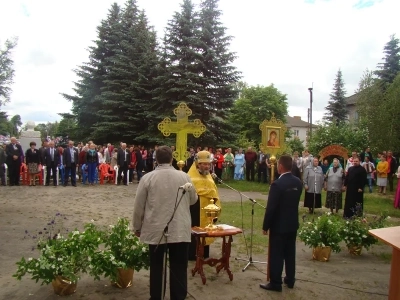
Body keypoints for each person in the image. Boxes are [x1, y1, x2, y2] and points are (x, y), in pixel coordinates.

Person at [133, 146, 197, 300]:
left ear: (156, 159)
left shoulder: (147, 178)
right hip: (179, 227)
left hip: (155, 227)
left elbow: (138, 205)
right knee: (179, 266)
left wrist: (136, 227)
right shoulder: (185, 177)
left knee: (156, 267)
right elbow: (193, 200)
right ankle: (178, 296)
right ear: (172, 159)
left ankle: (156, 296)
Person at [260, 155, 302, 292]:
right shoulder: (298, 182)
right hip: (292, 223)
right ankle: (290, 280)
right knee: (290, 253)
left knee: (277, 254)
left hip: (278, 225)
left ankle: (276, 283)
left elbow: (271, 208)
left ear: (280, 167)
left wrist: (266, 226)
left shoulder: (277, 185)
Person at [187, 150, 221, 260]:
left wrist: (216, 207)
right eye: (204, 164)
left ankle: (204, 253)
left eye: (208, 164)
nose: (207, 167)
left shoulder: (209, 177)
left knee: (206, 229)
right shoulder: (190, 177)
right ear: (198, 164)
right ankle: (192, 254)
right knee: (194, 229)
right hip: (194, 209)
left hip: (208, 210)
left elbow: (214, 193)